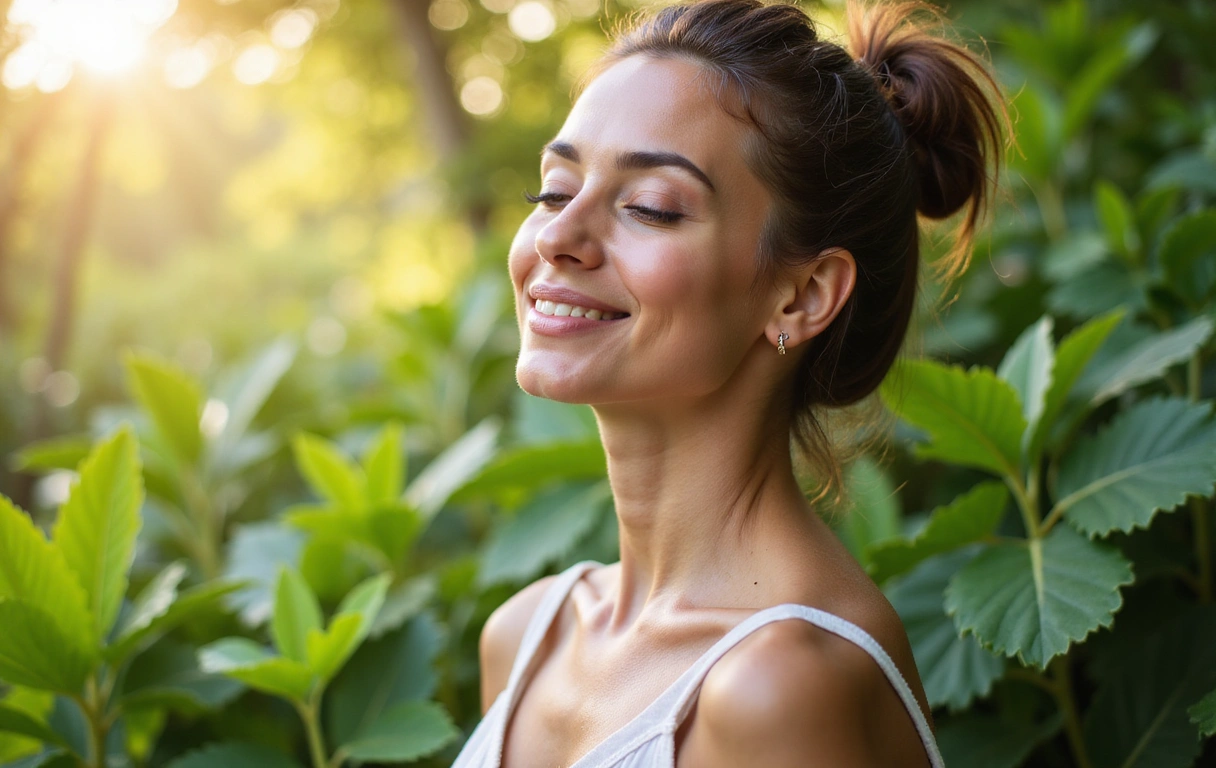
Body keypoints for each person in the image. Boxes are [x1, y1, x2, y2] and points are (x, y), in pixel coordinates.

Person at [453, 0, 1007, 765]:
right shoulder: (524, 637)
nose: (556, 235)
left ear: (801, 296)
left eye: (648, 207)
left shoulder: (781, 687)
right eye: (553, 190)